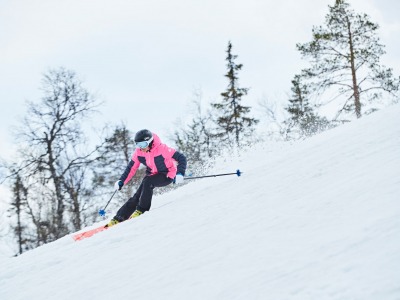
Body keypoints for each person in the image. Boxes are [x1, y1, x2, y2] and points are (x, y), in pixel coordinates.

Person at [105, 129, 187, 227]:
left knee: (148, 181)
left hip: (167, 175)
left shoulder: (162, 149)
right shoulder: (139, 153)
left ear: (150, 142)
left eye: (143, 145)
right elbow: (131, 168)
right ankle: (119, 217)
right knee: (138, 195)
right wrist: (121, 181)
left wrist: (180, 174)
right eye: (138, 145)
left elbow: (181, 158)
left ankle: (141, 210)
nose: (141, 148)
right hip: (152, 175)